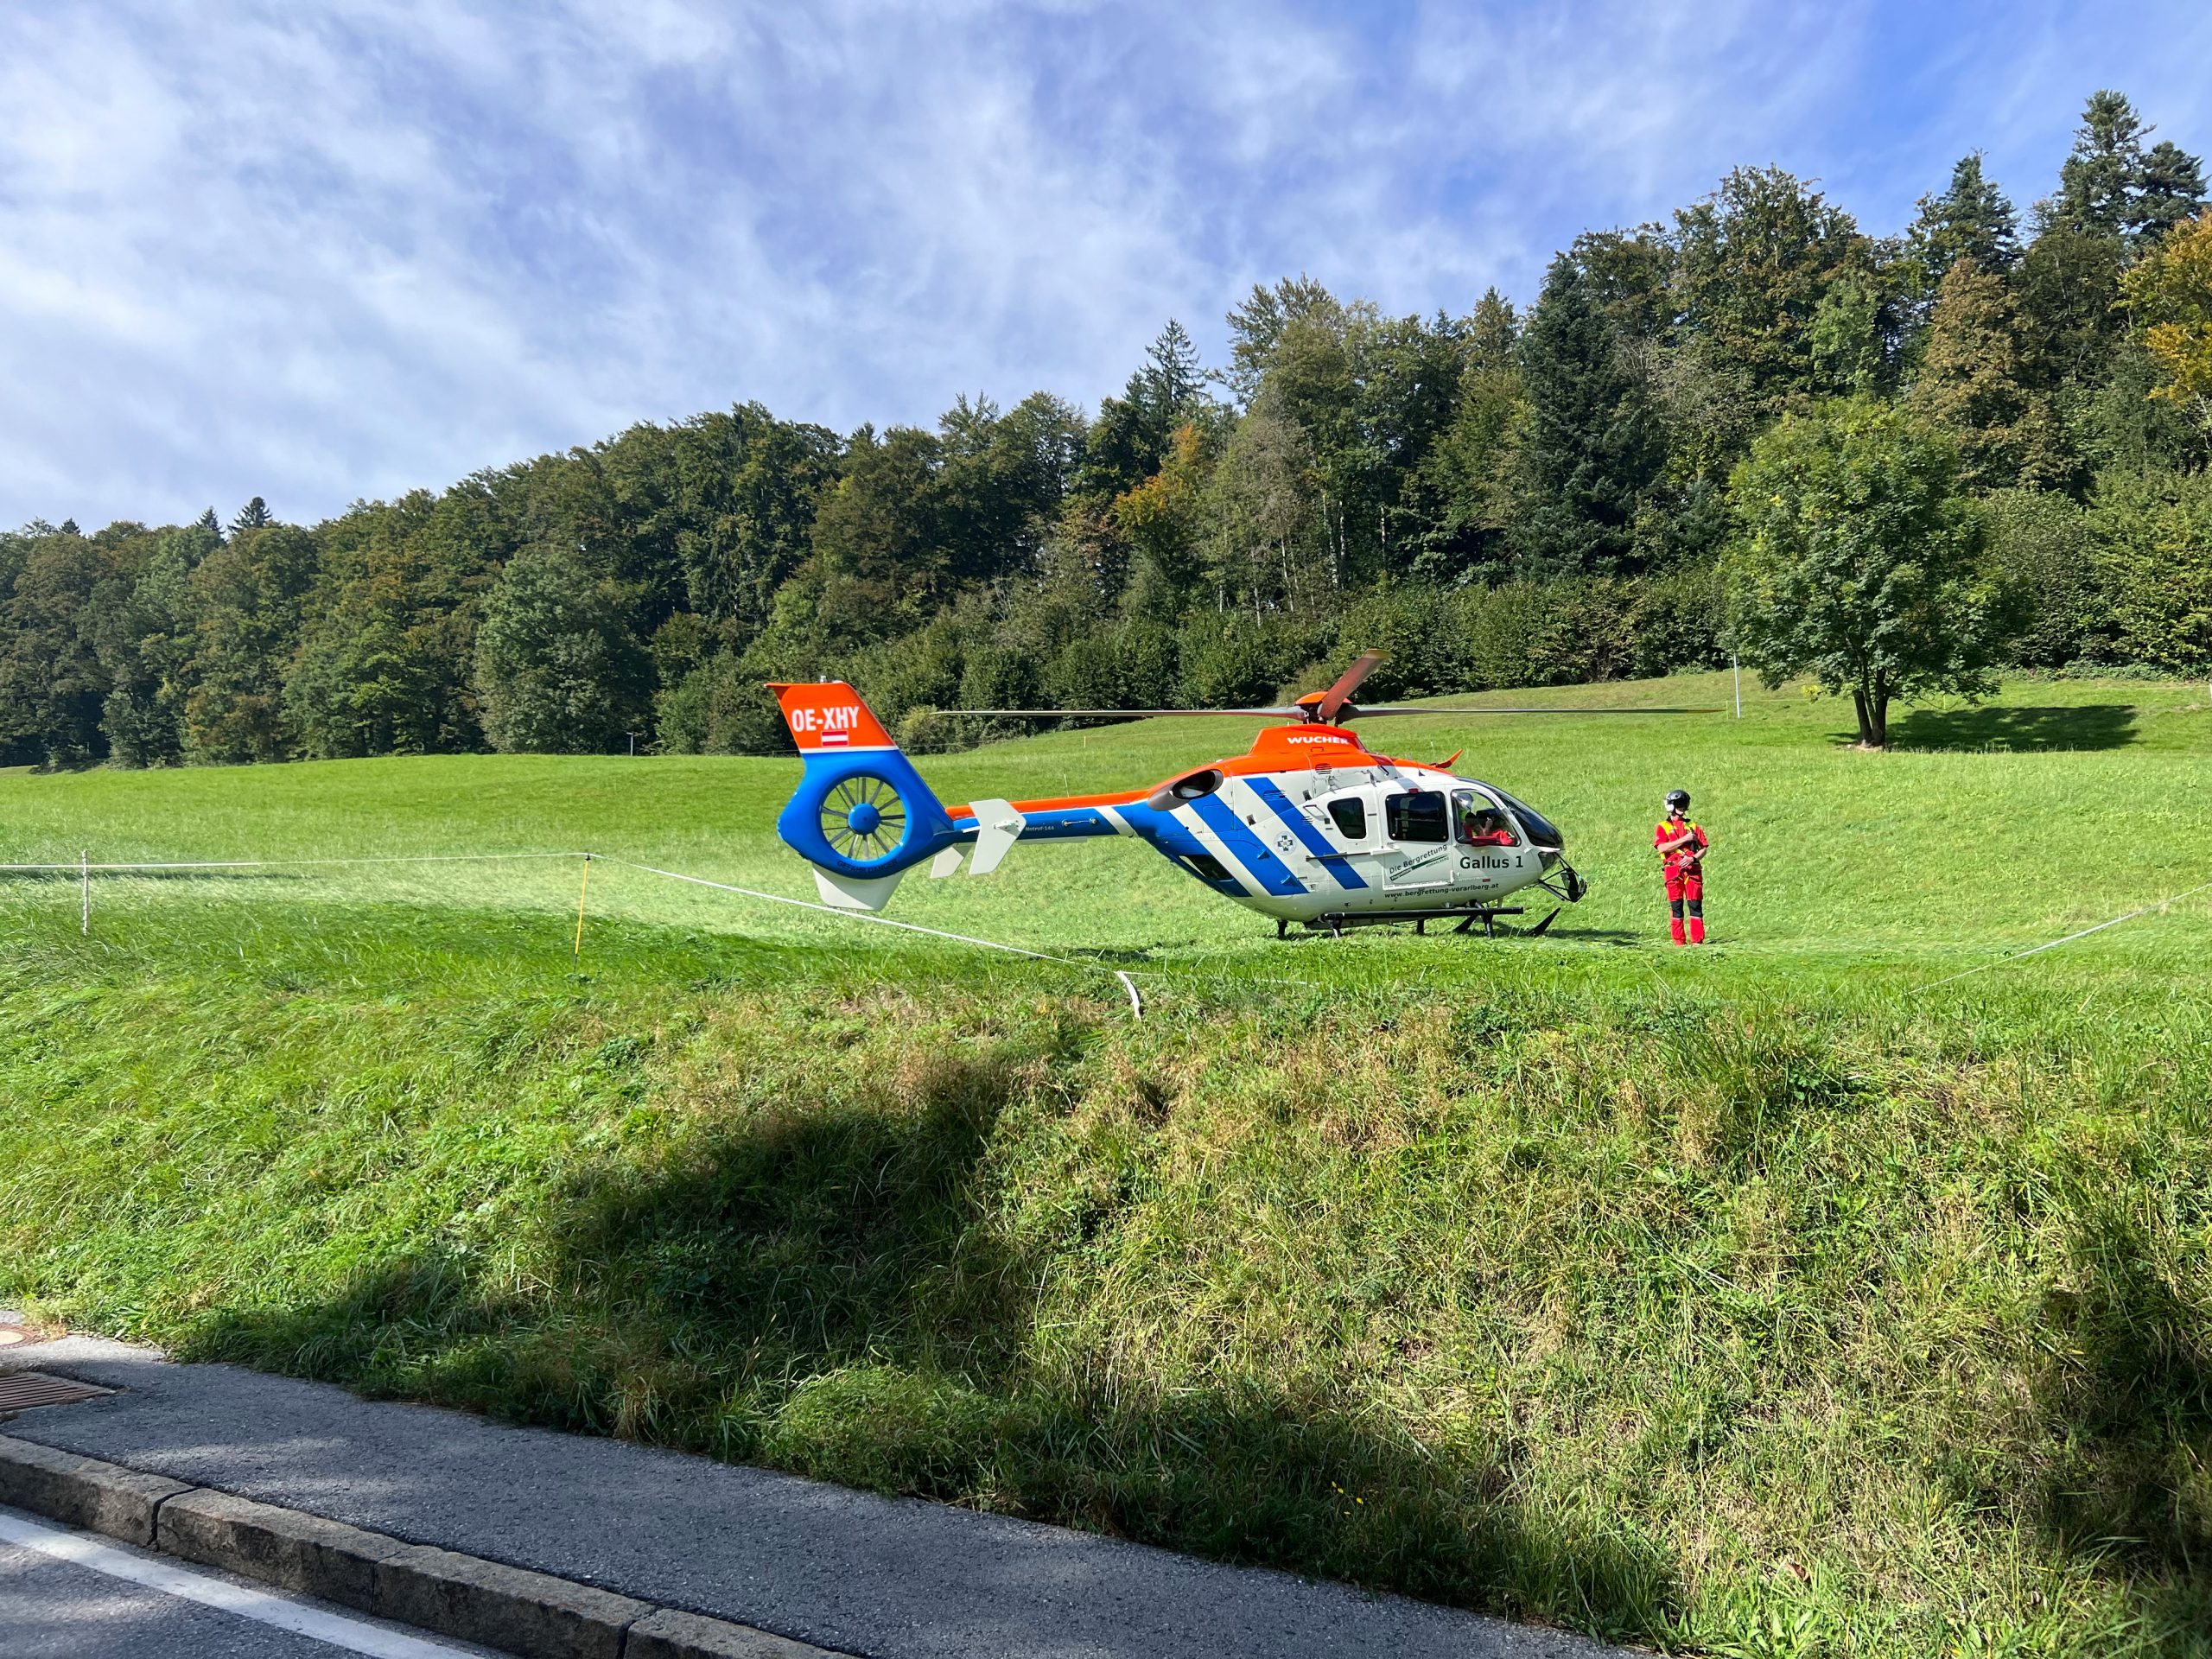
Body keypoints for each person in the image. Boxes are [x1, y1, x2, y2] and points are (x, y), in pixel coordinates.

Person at [1654, 789, 1709, 945]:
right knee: (1676, 907)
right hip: (1673, 871)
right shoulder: (1662, 827)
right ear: (1671, 806)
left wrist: (1693, 858)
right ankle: (1679, 942)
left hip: (1692, 871)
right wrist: (1685, 839)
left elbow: (1704, 847)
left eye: (1683, 805)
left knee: (1695, 906)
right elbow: (1662, 848)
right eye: (1678, 804)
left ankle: (1698, 941)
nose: (1682, 808)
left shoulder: (1693, 825)